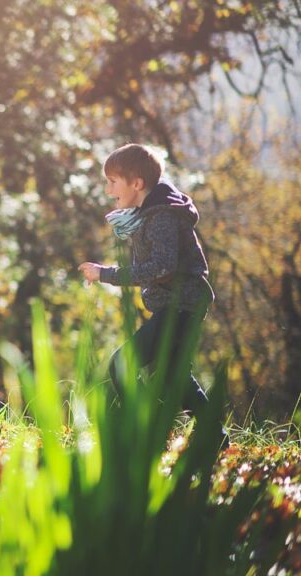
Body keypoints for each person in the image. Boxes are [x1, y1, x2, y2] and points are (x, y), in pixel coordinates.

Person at [78, 144, 218, 433]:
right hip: (180, 304)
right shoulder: (151, 213)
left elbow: (162, 267)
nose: (108, 190)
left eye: (113, 182)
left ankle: (146, 430)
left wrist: (107, 274)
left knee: (121, 365)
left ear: (137, 183)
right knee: (173, 376)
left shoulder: (161, 217)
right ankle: (215, 437)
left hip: (181, 305)